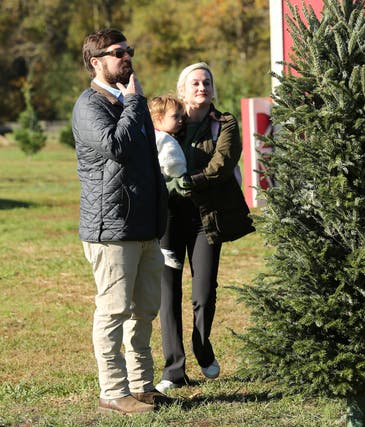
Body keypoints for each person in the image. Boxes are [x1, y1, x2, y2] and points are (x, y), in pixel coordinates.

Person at [72, 28, 170, 414]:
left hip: (144, 225)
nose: (127, 57)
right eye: (118, 52)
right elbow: (117, 148)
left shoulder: (133, 101)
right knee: (113, 310)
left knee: (144, 309)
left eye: (129, 51)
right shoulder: (90, 106)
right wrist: (133, 103)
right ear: (96, 62)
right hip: (110, 227)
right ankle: (113, 391)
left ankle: (142, 385)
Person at [155, 62, 255, 393]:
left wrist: (187, 181)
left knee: (204, 291)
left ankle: (202, 346)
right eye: (195, 83)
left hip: (206, 219)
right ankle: (174, 369)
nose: (202, 87)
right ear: (183, 89)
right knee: (168, 292)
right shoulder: (170, 119)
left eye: (207, 82)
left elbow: (222, 165)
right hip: (168, 218)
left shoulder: (224, 123)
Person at [148, 95, 189, 269]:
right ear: (158, 118)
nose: (180, 121)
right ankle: (164, 251)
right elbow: (173, 164)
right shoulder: (165, 139)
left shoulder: (149, 136)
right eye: (175, 117)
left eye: (182, 117)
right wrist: (182, 175)